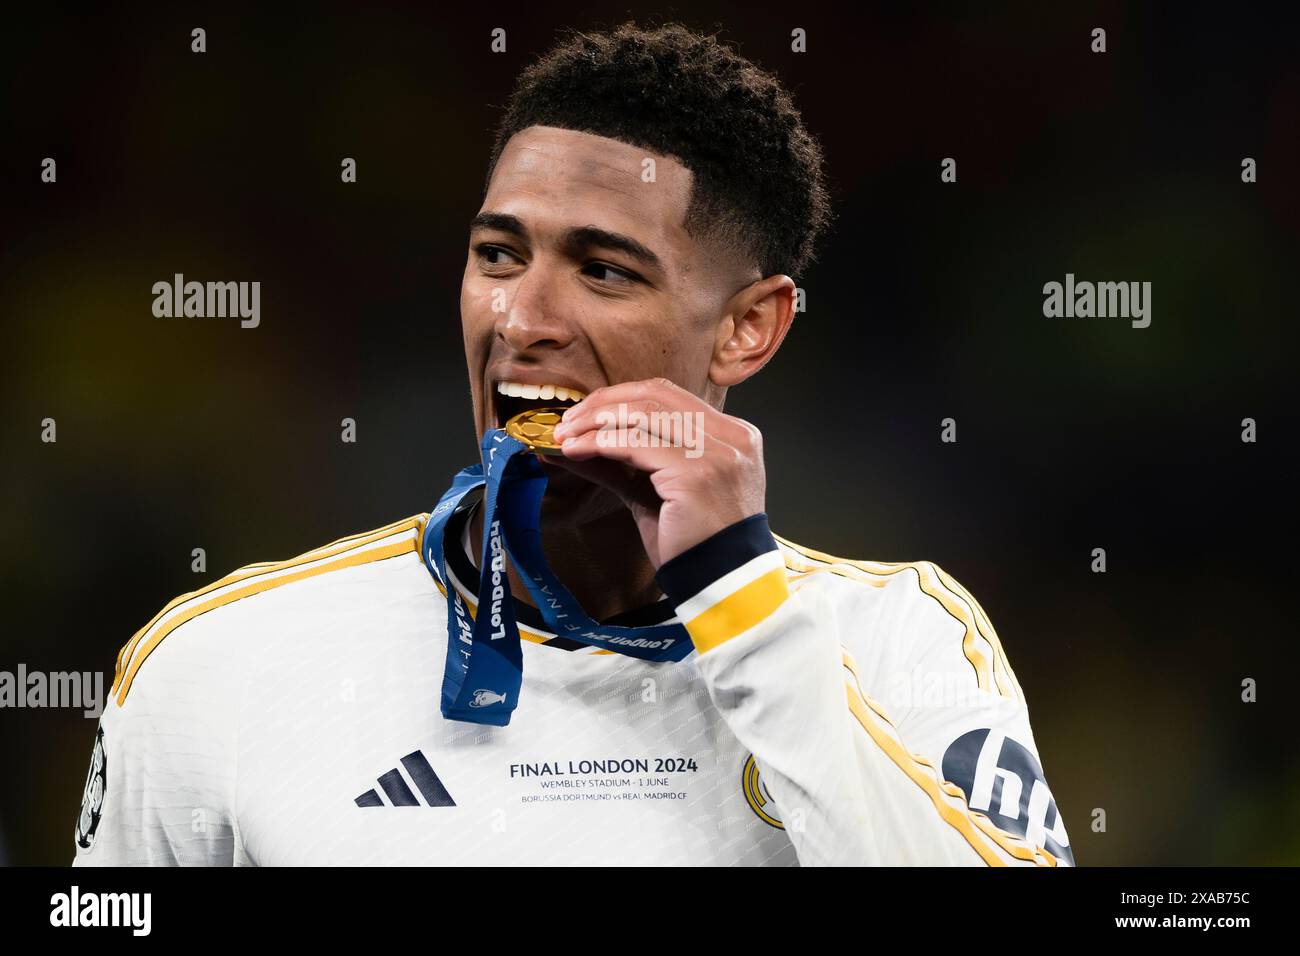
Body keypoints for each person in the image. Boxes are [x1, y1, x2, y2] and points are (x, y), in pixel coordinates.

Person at [73, 21, 1072, 866]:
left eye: (603, 271)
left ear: (748, 327)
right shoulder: (215, 663)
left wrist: (741, 595)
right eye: (498, 255)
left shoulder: (902, 640)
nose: (520, 318)